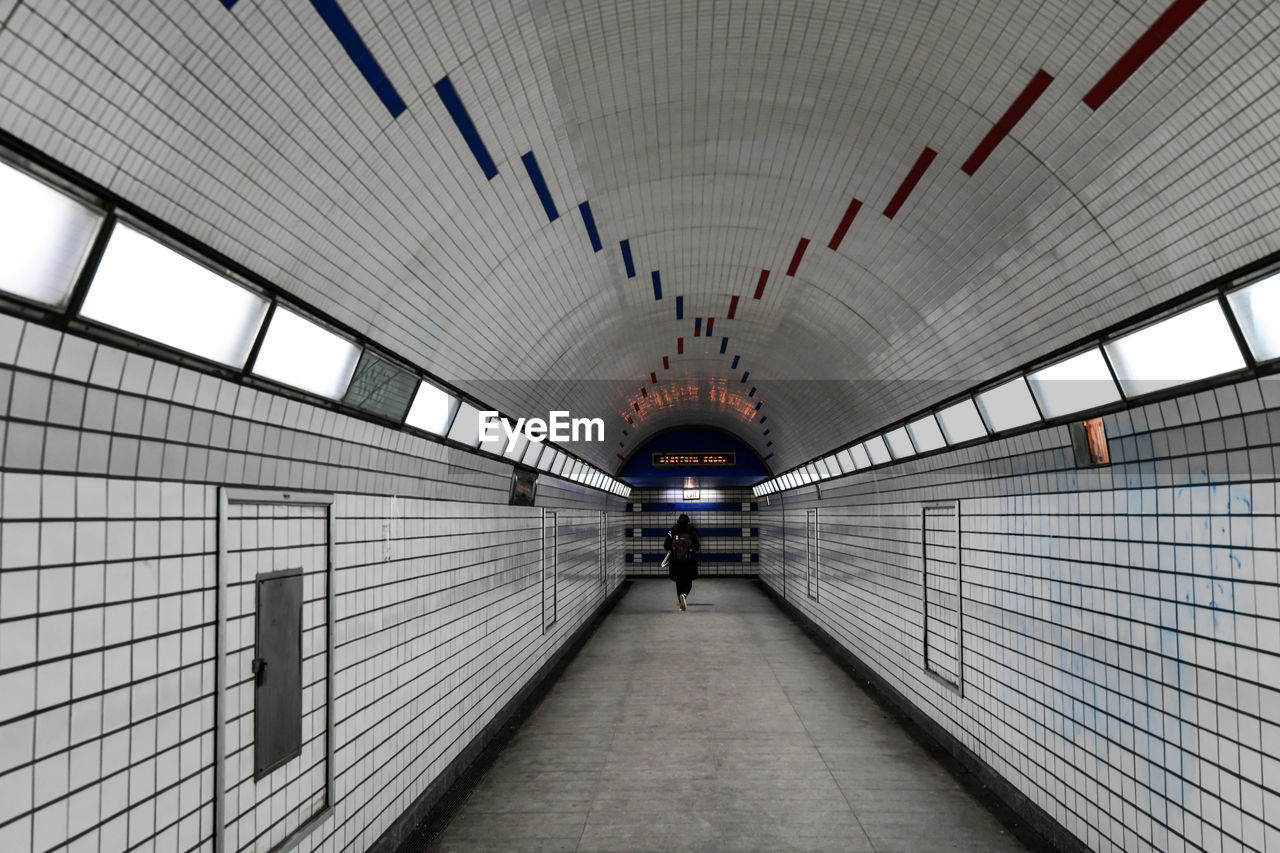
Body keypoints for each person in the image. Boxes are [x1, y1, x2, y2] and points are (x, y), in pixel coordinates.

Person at [663, 513, 701, 611]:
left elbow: (666, 545)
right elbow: (697, 545)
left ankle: (681, 603)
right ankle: (684, 595)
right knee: (688, 582)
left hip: (675, 562)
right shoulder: (691, 530)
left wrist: (673, 549)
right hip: (689, 561)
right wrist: (691, 549)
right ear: (688, 520)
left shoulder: (672, 530)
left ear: (678, 520)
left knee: (678, 583)